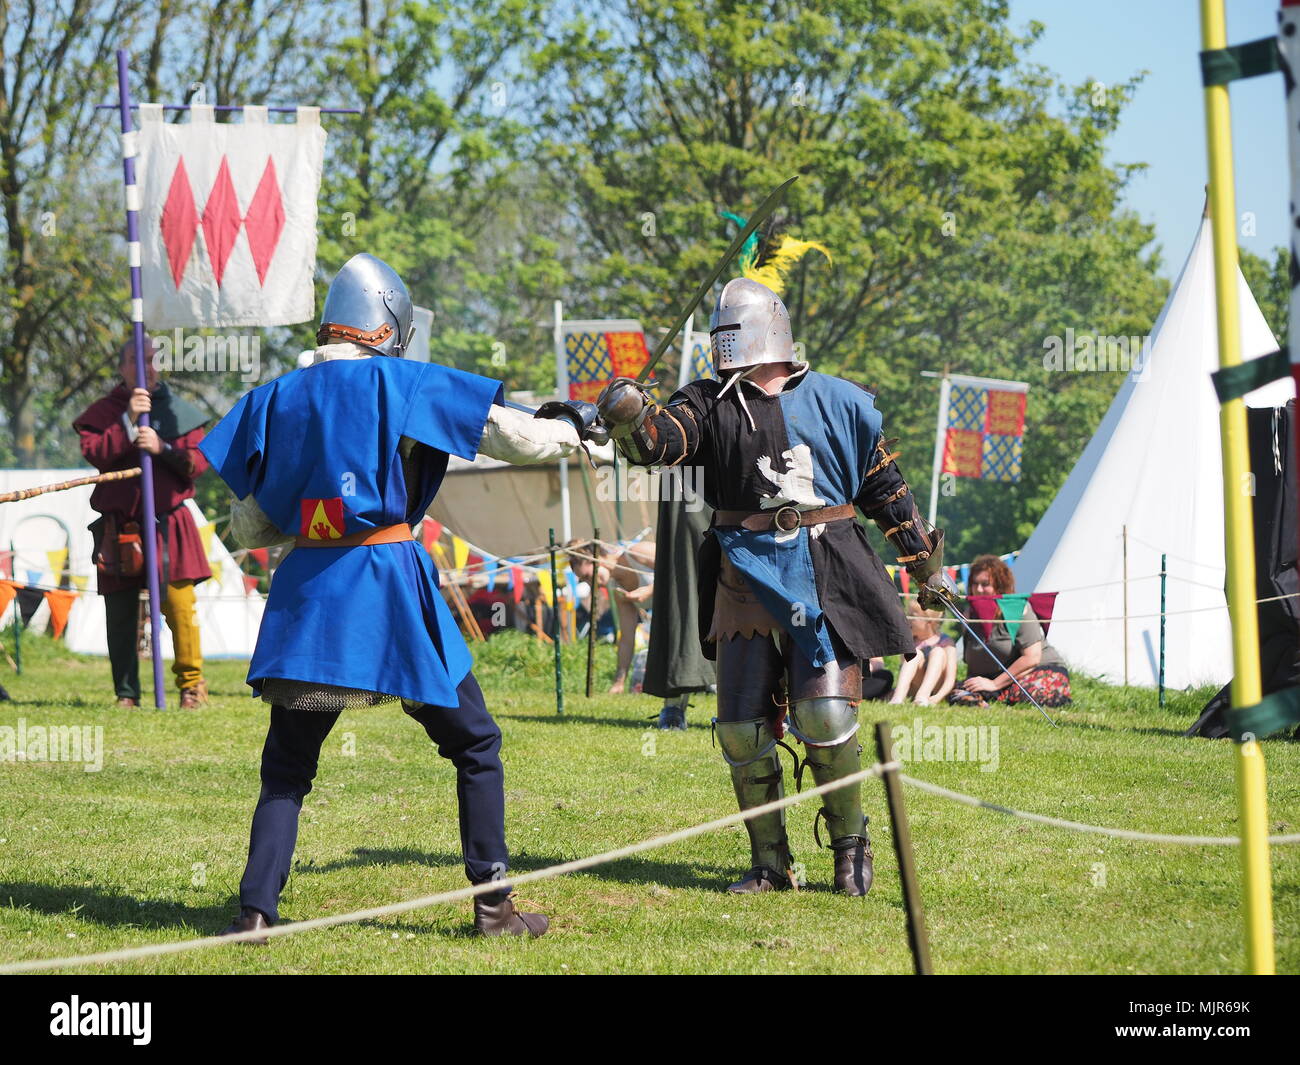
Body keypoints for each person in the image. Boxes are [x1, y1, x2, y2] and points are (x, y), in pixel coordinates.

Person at [201, 253, 597, 941]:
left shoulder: (272, 398)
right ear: (385, 329)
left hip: (309, 602)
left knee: (288, 767)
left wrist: (313, 510)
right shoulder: (398, 381)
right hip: (386, 594)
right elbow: (509, 434)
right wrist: (575, 428)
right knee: (474, 743)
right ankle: (495, 907)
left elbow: (252, 524)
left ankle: (255, 913)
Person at [598, 276, 951, 896]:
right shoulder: (705, 401)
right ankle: (770, 862)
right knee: (740, 728)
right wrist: (631, 417)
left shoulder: (842, 401)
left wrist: (923, 562)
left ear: (771, 332)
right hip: (743, 572)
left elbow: (885, 489)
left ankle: (851, 848)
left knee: (826, 715)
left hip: (827, 569)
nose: (725, 342)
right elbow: (662, 443)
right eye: (721, 332)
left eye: (734, 330)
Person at [73, 340, 212, 709]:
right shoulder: (105, 411)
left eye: (152, 361)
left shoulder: (178, 412)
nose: (147, 368)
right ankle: (127, 693)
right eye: (138, 361)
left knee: (180, 607)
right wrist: (128, 422)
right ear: (122, 367)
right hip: (119, 527)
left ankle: (191, 687)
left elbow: (198, 463)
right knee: (119, 613)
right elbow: (95, 453)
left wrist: (162, 449)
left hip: (170, 523)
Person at [948, 554, 1071, 708]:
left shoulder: (1019, 610)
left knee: (1036, 691)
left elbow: (1032, 658)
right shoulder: (969, 615)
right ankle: (991, 697)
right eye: (974, 584)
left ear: (1000, 586)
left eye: (985, 584)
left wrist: (994, 684)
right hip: (994, 678)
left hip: (1035, 672)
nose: (978, 589)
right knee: (959, 693)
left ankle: (996, 696)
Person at [642, 483, 715, 730]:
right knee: (681, 588)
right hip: (688, 474)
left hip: (736, 476)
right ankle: (674, 705)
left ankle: (773, 702)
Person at [566, 537, 656, 693]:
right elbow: (627, 638)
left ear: (596, 558)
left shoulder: (638, 552)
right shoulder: (618, 590)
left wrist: (649, 590)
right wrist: (619, 682)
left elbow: (680, 565)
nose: (590, 584)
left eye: (587, 576)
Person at [889, 597, 957, 705]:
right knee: (915, 654)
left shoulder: (946, 642)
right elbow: (903, 665)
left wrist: (937, 698)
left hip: (935, 690)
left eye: (913, 616)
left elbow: (950, 679)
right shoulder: (910, 640)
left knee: (938, 652)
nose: (908, 619)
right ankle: (897, 697)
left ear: (929, 622)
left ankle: (922, 696)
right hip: (914, 687)